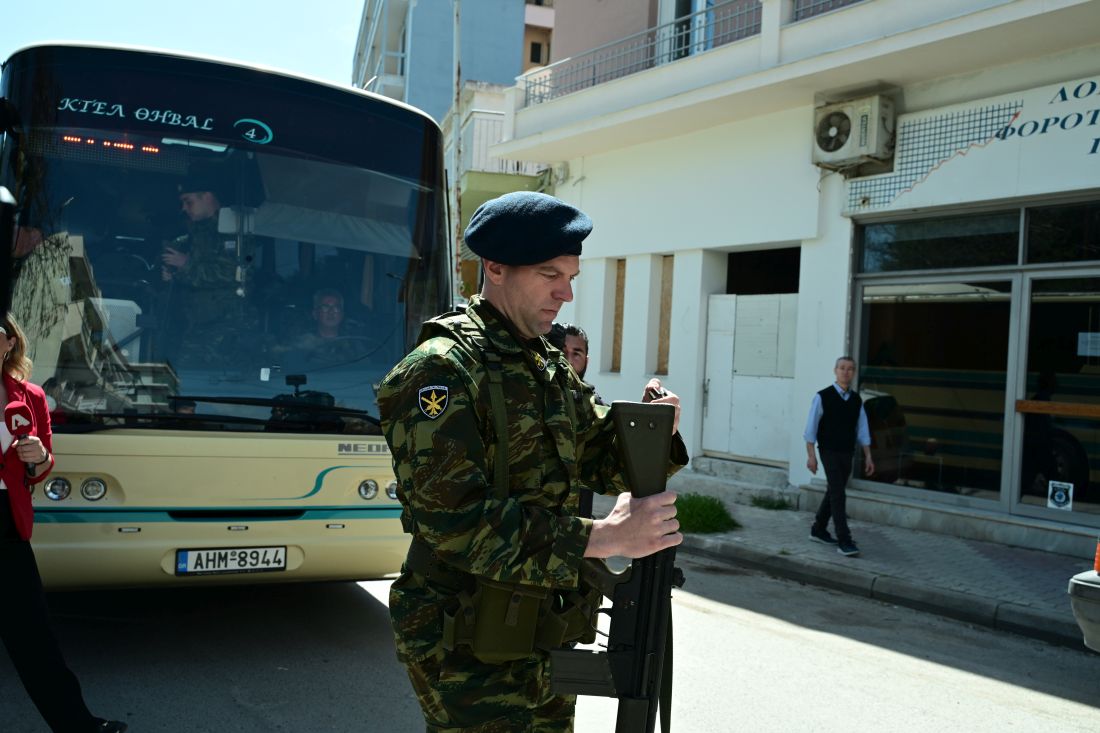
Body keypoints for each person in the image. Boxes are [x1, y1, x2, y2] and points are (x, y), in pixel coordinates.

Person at [377, 190, 688, 732]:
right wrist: (604, 537)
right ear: (495, 268)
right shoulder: (441, 371)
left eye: (571, 277)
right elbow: (455, 522)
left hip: (541, 626)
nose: (565, 293)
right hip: (467, 639)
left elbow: (599, 460)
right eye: (550, 275)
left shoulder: (543, 362)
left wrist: (654, 435)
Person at [0, 315, 128, 733]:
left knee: (33, 635)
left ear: (10, 344)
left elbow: (43, 467)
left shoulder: (30, 397)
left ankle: (78, 725)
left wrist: (37, 458)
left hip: (6, 522)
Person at [804, 355, 875, 557]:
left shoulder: (856, 400)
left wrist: (868, 456)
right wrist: (811, 456)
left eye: (850, 369)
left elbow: (863, 430)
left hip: (847, 452)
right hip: (828, 451)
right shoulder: (822, 396)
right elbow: (810, 430)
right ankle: (844, 540)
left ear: (853, 373)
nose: (846, 372)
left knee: (834, 491)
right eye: (842, 368)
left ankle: (818, 529)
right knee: (838, 494)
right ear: (835, 371)